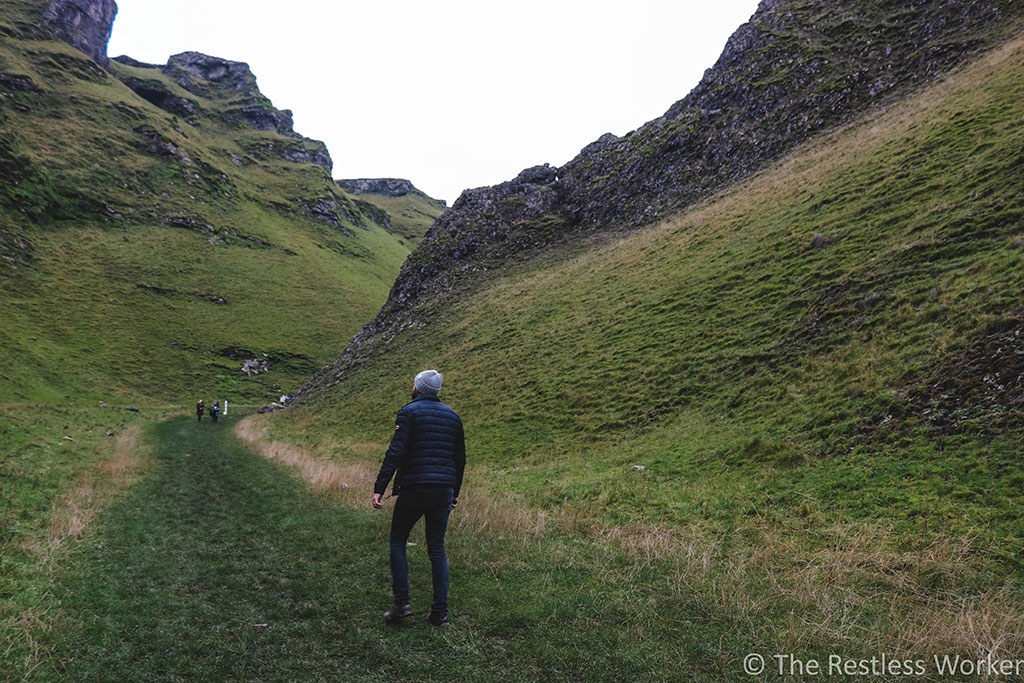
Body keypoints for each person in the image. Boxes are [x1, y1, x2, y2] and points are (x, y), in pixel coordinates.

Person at [372, 369, 465, 627]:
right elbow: (460, 459)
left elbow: (395, 452)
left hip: (414, 487)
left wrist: (380, 487)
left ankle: (402, 604)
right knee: (437, 548)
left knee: (398, 540)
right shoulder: (453, 417)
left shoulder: (408, 412)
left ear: (418, 387)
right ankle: (440, 613)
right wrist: (454, 492)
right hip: (443, 489)